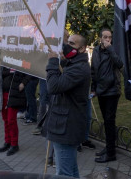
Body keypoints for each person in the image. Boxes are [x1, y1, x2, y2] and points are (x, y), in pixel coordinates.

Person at [42, 34, 90, 178]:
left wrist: (52, 62)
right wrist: (61, 62)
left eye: (72, 44)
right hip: (64, 125)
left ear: (82, 49)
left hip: (66, 128)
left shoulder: (79, 68)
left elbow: (53, 86)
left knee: (63, 174)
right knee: (71, 171)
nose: (67, 45)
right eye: (67, 42)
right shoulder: (73, 63)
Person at [91, 28, 123, 162]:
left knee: (110, 121)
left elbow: (120, 64)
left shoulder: (113, 50)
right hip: (100, 90)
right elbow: (93, 69)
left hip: (112, 91)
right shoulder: (96, 50)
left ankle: (111, 154)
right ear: (100, 38)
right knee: (106, 120)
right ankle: (109, 146)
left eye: (109, 37)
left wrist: (110, 49)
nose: (107, 39)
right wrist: (93, 88)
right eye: (105, 37)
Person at [0, 67, 29, 156]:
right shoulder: (3, 62)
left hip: (14, 94)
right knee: (5, 120)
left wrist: (23, 83)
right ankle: (7, 142)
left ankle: (14, 144)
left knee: (11, 120)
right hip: (3, 94)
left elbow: (29, 73)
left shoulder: (21, 59)